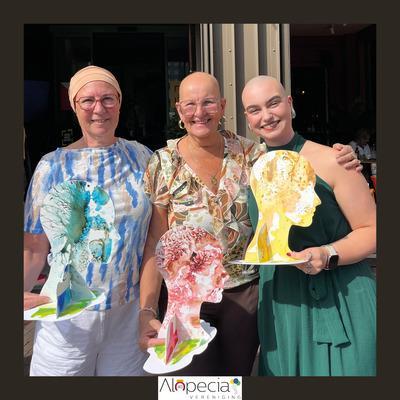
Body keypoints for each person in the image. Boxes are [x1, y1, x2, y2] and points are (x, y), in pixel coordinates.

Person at [138, 71, 361, 376]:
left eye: (208, 102)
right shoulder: (162, 162)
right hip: (186, 297)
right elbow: (156, 242)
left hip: (245, 294)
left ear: (223, 106)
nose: (199, 112)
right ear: (179, 110)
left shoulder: (253, 155)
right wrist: (147, 309)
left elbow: (298, 164)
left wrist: (343, 156)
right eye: (190, 104)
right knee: (187, 386)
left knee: (235, 382)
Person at [242, 75, 376, 376]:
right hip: (281, 300)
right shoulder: (248, 167)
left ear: (289, 104)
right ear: (248, 119)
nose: (266, 115)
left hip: (341, 293)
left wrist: (327, 254)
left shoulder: (334, 160)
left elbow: (372, 230)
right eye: (254, 109)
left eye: (273, 103)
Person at [24, 65, 152, 376]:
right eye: (87, 100)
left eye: (108, 98)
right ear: (74, 105)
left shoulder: (143, 157)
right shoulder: (51, 167)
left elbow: (156, 235)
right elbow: (35, 245)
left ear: (119, 102)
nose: (99, 109)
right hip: (66, 317)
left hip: (127, 314)